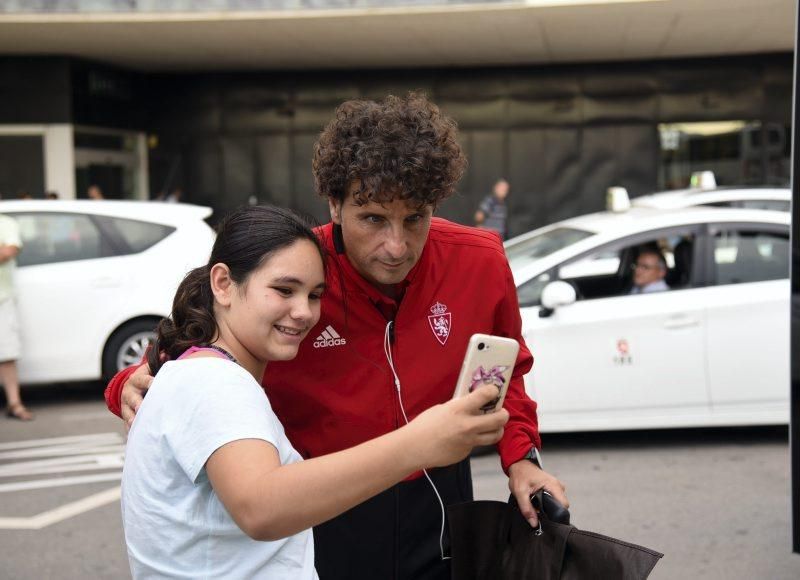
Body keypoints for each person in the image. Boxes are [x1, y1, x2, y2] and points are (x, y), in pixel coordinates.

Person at [106, 93, 567, 580]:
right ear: (334, 204)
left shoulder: (480, 260)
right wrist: (131, 383)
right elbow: (201, 339)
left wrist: (522, 457)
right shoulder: (299, 267)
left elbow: (506, 367)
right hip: (323, 495)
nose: (396, 245)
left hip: (439, 494)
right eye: (372, 218)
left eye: (415, 218)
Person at [121, 204, 508, 579]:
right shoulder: (212, 380)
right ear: (223, 283)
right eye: (284, 290)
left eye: (314, 294)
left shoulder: (201, 372)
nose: (304, 311)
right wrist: (418, 443)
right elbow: (261, 507)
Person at [0, 213, 32, 421]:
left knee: (7, 353)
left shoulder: (6, 223)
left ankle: (14, 403)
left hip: (2, 298)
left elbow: (9, 251)